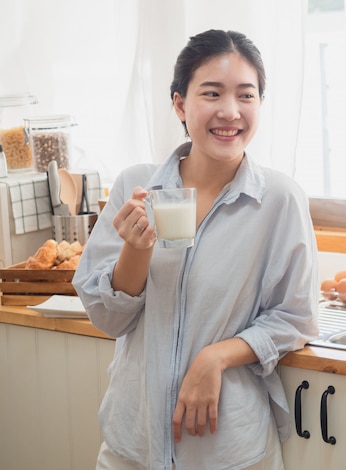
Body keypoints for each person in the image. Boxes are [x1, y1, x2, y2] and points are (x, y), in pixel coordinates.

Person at [73, 29, 319, 469]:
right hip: (134, 443)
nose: (230, 111)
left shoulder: (279, 199)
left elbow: (296, 316)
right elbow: (111, 319)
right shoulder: (138, 187)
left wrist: (216, 357)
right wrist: (136, 249)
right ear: (180, 104)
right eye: (212, 93)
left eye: (246, 95)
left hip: (227, 448)